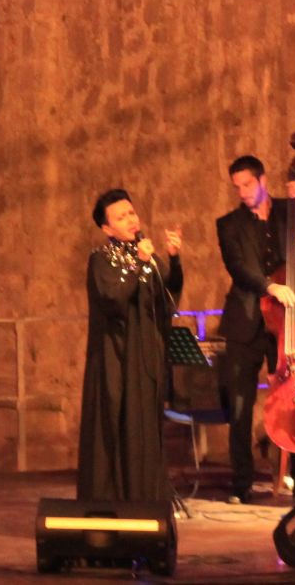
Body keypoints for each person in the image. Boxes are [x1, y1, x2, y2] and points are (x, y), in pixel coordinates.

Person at [216, 155, 295, 503]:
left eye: (247, 184)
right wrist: (269, 286)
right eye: (237, 187)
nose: (243, 192)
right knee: (241, 405)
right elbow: (238, 267)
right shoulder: (228, 225)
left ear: (262, 181)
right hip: (246, 323)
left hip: (287, 323)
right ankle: (242, 485)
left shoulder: (290, 212)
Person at [77, 189, 183, 502]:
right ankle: (112, 499)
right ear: (107, 228)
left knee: (143, 427)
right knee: (116, 423)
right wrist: (139, 262)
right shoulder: (101, 259)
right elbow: (113, 298)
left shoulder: (148, 258)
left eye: (131, 213)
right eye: (121, 217)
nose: (130, 220)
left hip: (144, 356)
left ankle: (145, 498)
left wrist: (174, 259)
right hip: (116, 357)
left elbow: (168, 300)